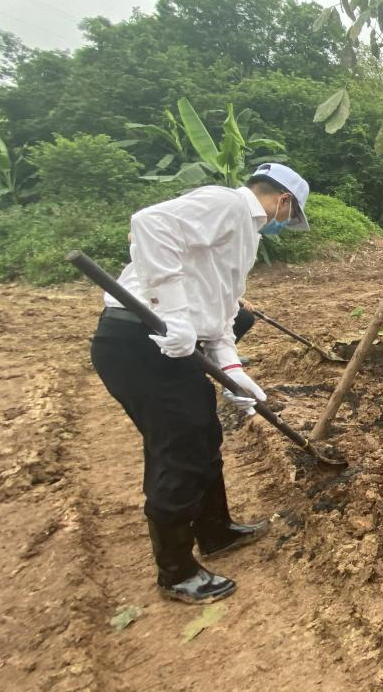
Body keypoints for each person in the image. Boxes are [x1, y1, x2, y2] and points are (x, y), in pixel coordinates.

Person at [90, 163, 309, 604]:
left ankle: (215, 530)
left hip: (173, 346)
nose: (285, 223)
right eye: (290, 214)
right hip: (140, 340)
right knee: (179, 449)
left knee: (204, 433)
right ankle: (176, 570)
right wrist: (173, 312)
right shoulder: (228, 204)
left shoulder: (243, 235)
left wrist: (232, 369)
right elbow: (149, 224)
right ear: (283, 201)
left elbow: (221, 313)